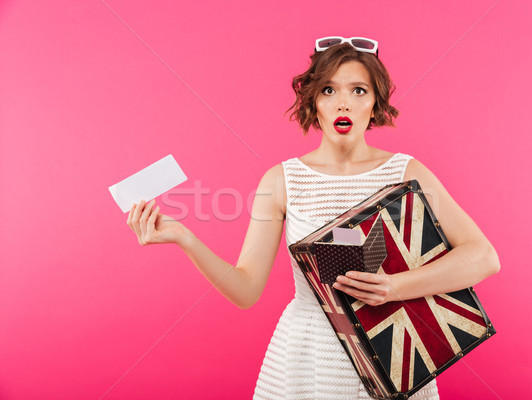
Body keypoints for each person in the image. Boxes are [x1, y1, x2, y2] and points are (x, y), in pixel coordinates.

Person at [127, 36, 501, 400]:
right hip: (307, 360)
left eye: (359, 91)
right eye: (329, 91)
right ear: (313, 102)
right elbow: (246, 290)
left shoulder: (407, 173)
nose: (344, 104)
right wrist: (184, 238)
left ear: (375, 104)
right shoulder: (282, 180)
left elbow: (483, 257)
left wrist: (395, 287)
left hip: (396, 353)